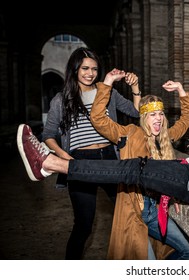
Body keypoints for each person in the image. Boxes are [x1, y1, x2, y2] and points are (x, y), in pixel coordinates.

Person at [17, 45, 189, 234]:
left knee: (135, 170)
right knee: (105, 205)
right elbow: (100, 120)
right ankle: (53, 163)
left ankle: (50, 165)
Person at [41, 47, 141, 259]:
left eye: (94, 69)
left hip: (109, 158)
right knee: (84, 225)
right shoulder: (61, 99)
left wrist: (135, 87)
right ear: (75, 69)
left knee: (130, 215)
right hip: (80, 161)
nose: (90, 73)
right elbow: (48, 135)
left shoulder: (109, 93)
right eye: (85, 68)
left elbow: (135, 112)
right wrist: (64, 156)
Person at [90, 70, 189, 260]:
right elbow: (98, 119)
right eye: (153, 114)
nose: (158, 118)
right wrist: (107, 82)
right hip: (133, 213)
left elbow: (186, 119)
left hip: (155, 212)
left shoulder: (166, 137)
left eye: (161, 114)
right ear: (143, 117)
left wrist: (180, 89)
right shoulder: (129, 134)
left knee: (188, 251)